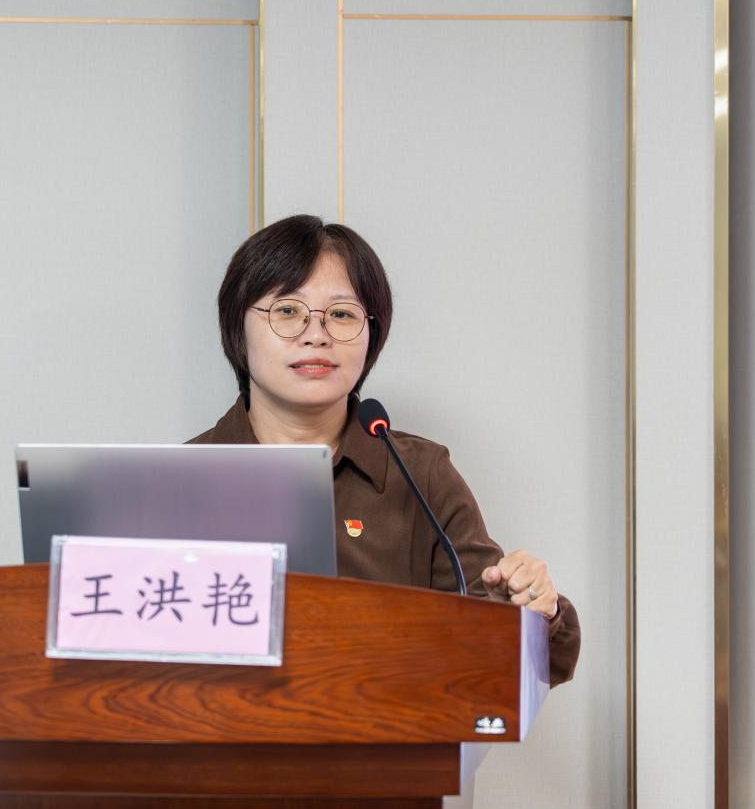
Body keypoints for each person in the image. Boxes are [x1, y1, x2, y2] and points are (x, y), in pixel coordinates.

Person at [189, 215, 580, 685]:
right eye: (287, 310)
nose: (316, 334)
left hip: (388, 730)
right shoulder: (180, 479)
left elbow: (529, 660)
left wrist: (532, 607)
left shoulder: (419, 474)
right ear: (239, 327)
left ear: (371, 333)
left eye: (342, 314)